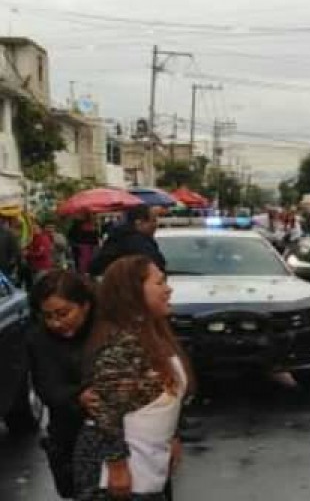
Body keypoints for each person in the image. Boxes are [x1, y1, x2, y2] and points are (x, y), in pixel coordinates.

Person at [74, 255, 189, 501]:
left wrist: (174, 436)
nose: (168, 290)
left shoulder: (155, 335)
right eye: (159, 283)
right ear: (133, 292)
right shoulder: (122, 345)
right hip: (117, 477)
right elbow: (107, 412)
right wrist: (117, 468)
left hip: (149, 468)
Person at [27, 271, 97, 499]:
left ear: (85, 306)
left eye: (63, 313)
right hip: (69, 438)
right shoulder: (39, 339)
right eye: (48, 316)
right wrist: (79, 397)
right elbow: (47, 388)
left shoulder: (107, 330)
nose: (56, 323)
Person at [89, 205, 166, 278]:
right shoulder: (137, 242)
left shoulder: (117, 237)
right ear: (139, 223)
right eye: (153, 221)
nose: (156, 225)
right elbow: (154, 265)